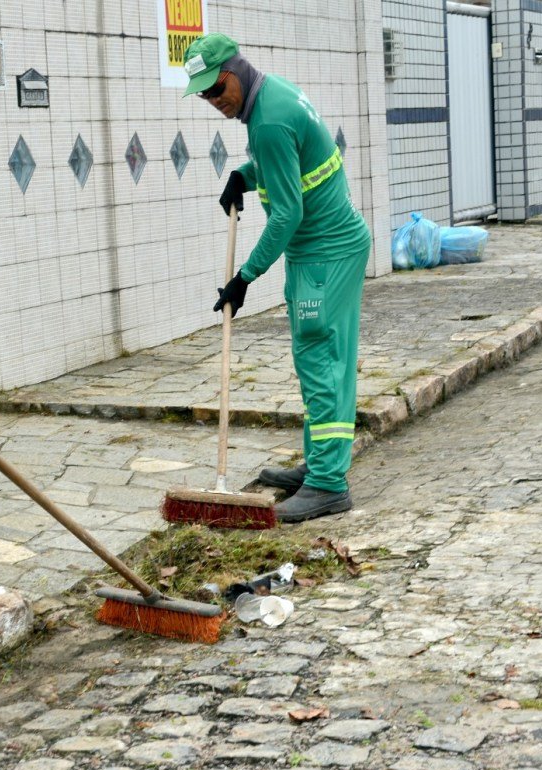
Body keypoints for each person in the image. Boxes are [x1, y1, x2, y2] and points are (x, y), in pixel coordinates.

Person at [182, 33, 372, 523]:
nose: (213, 101)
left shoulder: (265, 120)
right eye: (204, 94)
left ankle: (328, 484)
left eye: (216, 89)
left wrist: (244, 277)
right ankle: (320, 466)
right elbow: (291, 158)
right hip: (330, 249)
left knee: (319, 359)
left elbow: (286, 214)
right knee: (325, 358)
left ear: (235, 71)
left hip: (322, 255)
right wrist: (245, 175)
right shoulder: (275, 95)